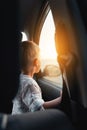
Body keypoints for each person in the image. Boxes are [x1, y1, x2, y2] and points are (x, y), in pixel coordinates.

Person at [12, 40, 62, 115]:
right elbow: (39, 107)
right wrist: (60, 100)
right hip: (28, 123)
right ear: (37, 62)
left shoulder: (17, 79)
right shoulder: (29, 83)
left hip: (17, 118)